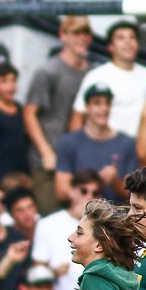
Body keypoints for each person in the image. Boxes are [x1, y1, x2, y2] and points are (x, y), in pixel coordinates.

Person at [23, 16, 93, 208]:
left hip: (79, 161)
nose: (82, 38)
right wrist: (46, 152)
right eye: (76, 33)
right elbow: (29, 113)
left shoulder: (93, 72)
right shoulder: (47, 70)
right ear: (63, 35)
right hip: (49, 162)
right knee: (51, 218)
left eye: (86, 33)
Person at [32, 171, 104, 290]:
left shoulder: (104, 228)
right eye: (84, 191)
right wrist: (53, 272)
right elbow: (37, 270)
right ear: (71, 191)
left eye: (95, 193)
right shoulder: (47, 224)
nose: (89, 196)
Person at [71, 22, 146, 138]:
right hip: (106, 147)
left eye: (132, 37)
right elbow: (78, 116)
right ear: (111, 47)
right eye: (121, 38)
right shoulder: (96, 76)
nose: (128, 42)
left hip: (136, 149)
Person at [55, 86, 138, 203]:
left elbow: (132, 196)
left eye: (107, 103)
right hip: (80, 215)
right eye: (97, 103)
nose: (103, 108)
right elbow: (62, 192)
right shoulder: (69, 142)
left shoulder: (127, 143)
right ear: (86, 107)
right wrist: (87, 192)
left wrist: (115, 182)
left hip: (116, 215)